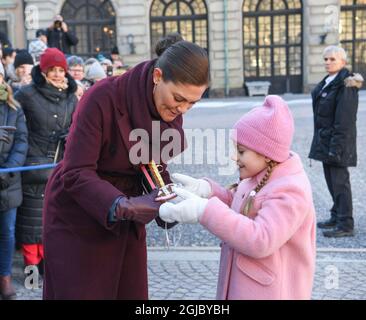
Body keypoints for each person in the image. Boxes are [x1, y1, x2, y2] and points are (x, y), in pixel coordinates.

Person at [42, 39, 209, 299]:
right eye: (179, 99)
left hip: (127, 218)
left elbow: (152, 164)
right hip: (79, 215)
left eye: (192, 103)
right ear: (157, 76)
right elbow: (75, 172)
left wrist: (168, 199)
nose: (181, 109)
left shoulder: (167, 108)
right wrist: (122, 205)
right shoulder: (102, 96)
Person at [159, 95, 316, 300]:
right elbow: (243, 206)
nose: (234, 157)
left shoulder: (290, 191)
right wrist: (207, 190)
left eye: (241, 151)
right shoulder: (262, 172)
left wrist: (204, 210)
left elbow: (261, 239)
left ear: (266, 153)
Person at [14, 48, 77, 277]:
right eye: (53, 70)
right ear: (43, 71)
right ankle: (31, 271)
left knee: (53, 222)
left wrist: (70, 134)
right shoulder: (26, 94)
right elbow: (17, 126)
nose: (58, 75)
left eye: (62, 70)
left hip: (59, 168)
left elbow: (79, 126)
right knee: (31, 223)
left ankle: (47, 268)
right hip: (32, 168)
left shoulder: (71, 96)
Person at [309, 46, 363, 238]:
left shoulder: (346, 85)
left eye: (332, 59)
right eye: (325, 59)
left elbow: (344, 121)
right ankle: (335, 215)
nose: (328, 62)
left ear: (343, 62)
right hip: (326, 141)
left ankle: (345, 223)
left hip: (337, 143)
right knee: (332, 182)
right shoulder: (329, 82)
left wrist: (336, 147)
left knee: (340, 183)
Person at [0, 63, 28, 300]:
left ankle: (5, 276)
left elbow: (21, 141)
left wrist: (8, 170)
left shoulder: (14, 107)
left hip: (8, 182)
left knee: (7, 231)